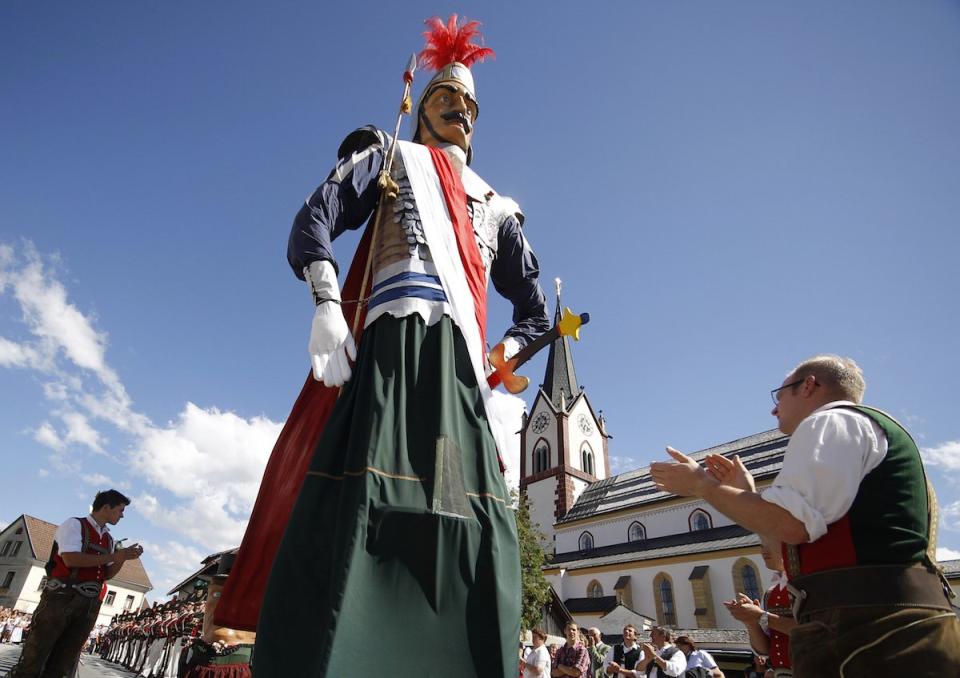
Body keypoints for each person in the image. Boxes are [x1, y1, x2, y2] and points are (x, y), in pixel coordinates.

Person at [235, 14, 550, 678]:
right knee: (361, 501)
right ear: (424, 105)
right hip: (387, 355)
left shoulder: (497, 203)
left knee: (460, 515)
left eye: (469, 105)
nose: (459, 111)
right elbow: (315, 219)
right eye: (446, 99)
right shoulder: (389, 153)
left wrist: (500, 361)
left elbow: (535, 312)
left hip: (457, 377)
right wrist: (326, 301)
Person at [650, 354, 960, 676]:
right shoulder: (853, 432)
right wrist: (747, 495)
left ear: (809, 385)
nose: (774, 408)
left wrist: (703, 486)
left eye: (779, 395)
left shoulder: (832, 421)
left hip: (871, 628)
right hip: (873, 625)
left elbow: (791, 525)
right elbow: (787, 551)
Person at [8, 489, 143, 678]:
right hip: (61, 598)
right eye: (120, 510)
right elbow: (71, 559)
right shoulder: (75, 525)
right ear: (106, 507)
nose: (122, 515)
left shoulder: (109, 538)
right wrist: (115, 555)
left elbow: (107, 574)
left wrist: (123, 558)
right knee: (33, 659)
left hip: (88, 604)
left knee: (62, 664)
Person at [722, 537, 793, 676]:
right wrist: (751, 622)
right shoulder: (771, 593)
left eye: (770, 543)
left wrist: (760, 616)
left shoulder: (807, 585)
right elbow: (765, 650)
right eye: (762, 545)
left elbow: (814, 630)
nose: (763, 550)